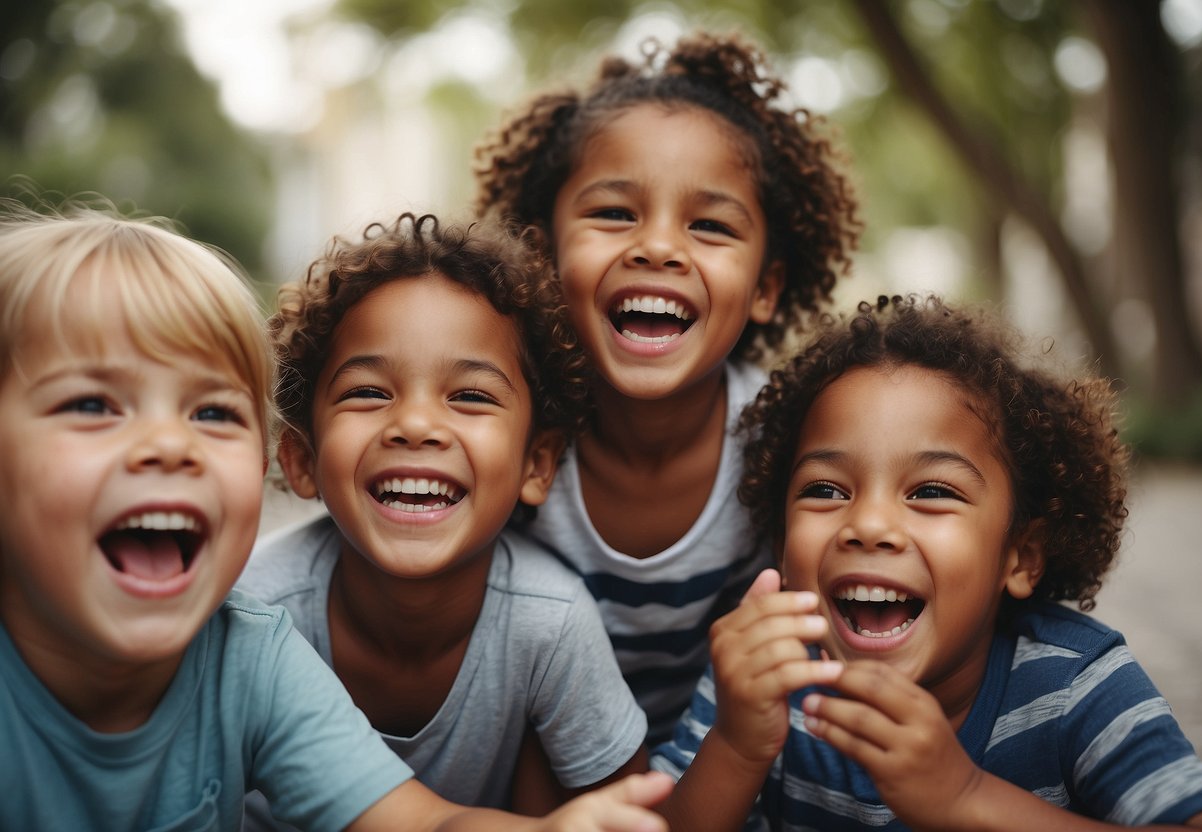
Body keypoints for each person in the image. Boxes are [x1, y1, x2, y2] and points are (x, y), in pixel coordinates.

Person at [0, 200, 672, 832]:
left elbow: (420, 822)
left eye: (212, 413)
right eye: (91, 406)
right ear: (298, 459)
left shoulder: (248, 655)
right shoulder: (270, 608)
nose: (169, 445)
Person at [650, 294, 1202, 830]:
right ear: (781, 541)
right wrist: (735, 746)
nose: (868, 525)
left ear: (1021, 557)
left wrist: (967, 799)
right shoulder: (761, 679)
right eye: (825, 489)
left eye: (931, 492)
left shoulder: (1075, 683)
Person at [472, 30, 862, 746]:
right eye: (614, 213)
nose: (657, 247)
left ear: (765, 288)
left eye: (709, 226)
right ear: (542, 251)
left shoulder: (787, 444)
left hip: (734, 762)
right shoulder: (505, 435)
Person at [238, 212, 650, 827]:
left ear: (537, 463)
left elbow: (623, 812)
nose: (417, 425)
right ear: (301, 458)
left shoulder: (550, 625)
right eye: (369, 392)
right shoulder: (256, 611)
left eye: (471, 396)